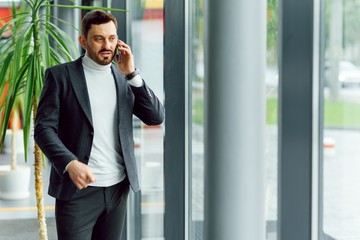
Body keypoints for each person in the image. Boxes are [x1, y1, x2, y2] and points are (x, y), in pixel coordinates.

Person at [34, 10, 165, 240]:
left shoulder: (124, 78)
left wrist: (133, 75)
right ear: (83, 41)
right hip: (77, 192)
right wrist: (70, 163)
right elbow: (43, 129)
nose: (107, 45)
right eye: (99, 38)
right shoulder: (60, 76)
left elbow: (155, 116)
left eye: (112, 38)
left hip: (117, 189)